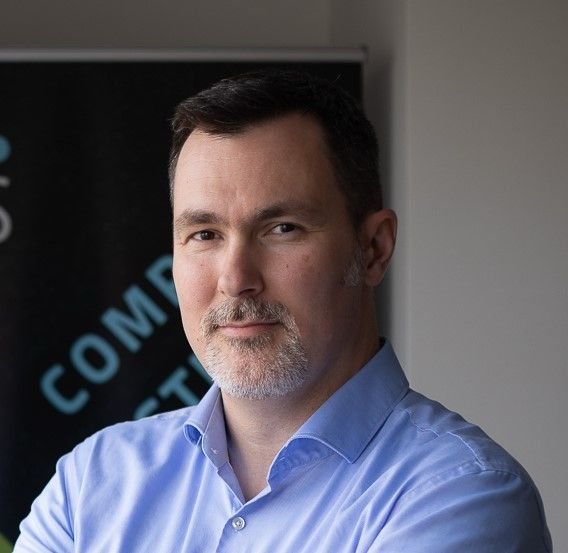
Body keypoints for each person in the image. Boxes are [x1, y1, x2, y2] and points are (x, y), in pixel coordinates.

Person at [15, 70, 552, 552]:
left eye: (281, 229)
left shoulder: (462, 494)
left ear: (373, 249)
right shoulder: (92, 483)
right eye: (205, 234)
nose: (235, 279)